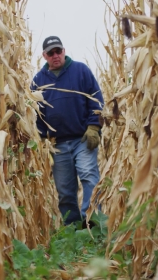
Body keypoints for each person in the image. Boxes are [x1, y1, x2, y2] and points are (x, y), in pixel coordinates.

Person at [31, 36, 104, 226]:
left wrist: (94, 126)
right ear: (44, 55)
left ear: (64, 51)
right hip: (57, 144)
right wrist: (41, 140)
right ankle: (72, 229)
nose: (55, 56)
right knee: (65, 190)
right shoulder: (38, 80)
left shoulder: (81, 71)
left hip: (83, 138)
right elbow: (36, 114)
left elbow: (96, 99)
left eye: (58, 51)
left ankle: (93, 223)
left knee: (89, 176)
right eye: (51, 53)